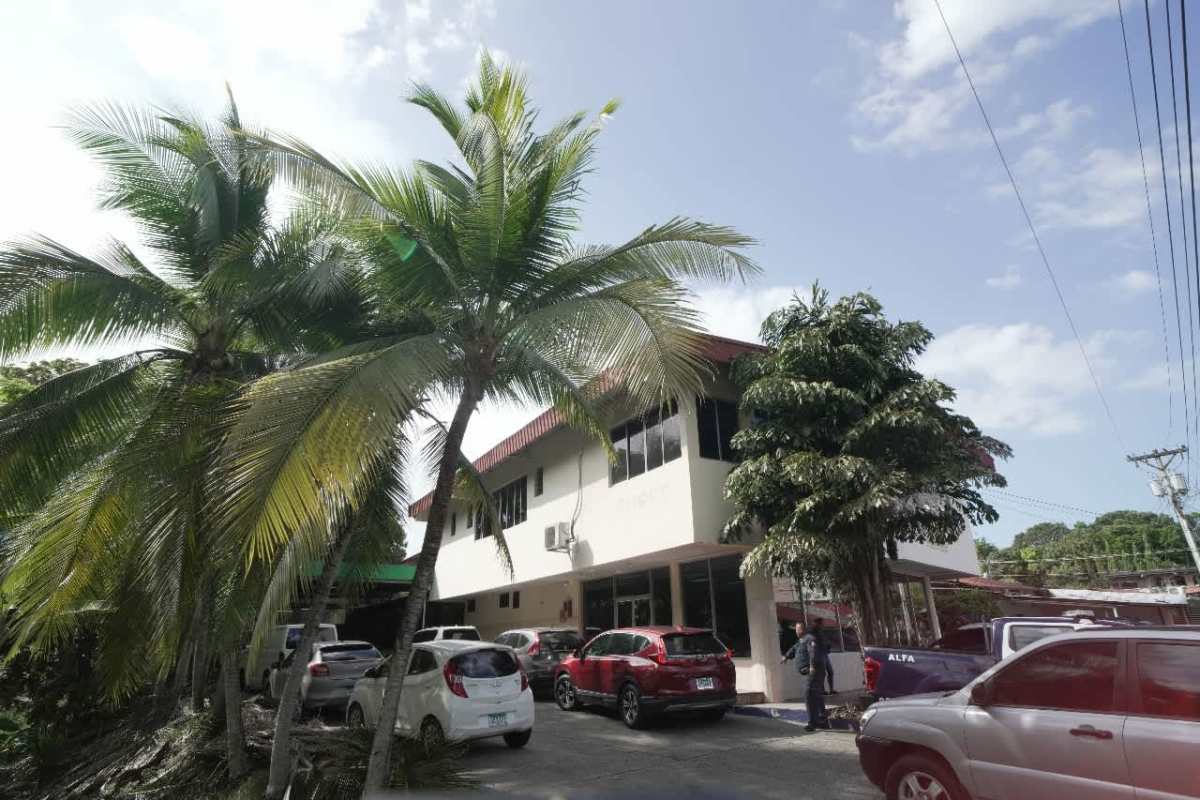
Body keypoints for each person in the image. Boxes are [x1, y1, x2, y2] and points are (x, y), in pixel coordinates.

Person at [779, 619, 829, 731]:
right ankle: (823, 720)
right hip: (809, 672)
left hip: (813, 671)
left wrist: (812, 666)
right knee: (817, 695)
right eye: (796, 629)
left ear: (804, 629)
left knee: (809, 695)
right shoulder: (801, 641)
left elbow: (813, 653)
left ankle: (813, 723)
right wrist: (786, 657)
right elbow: (794, 649)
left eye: (799, 628)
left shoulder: (809, 639)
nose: (797, 631)